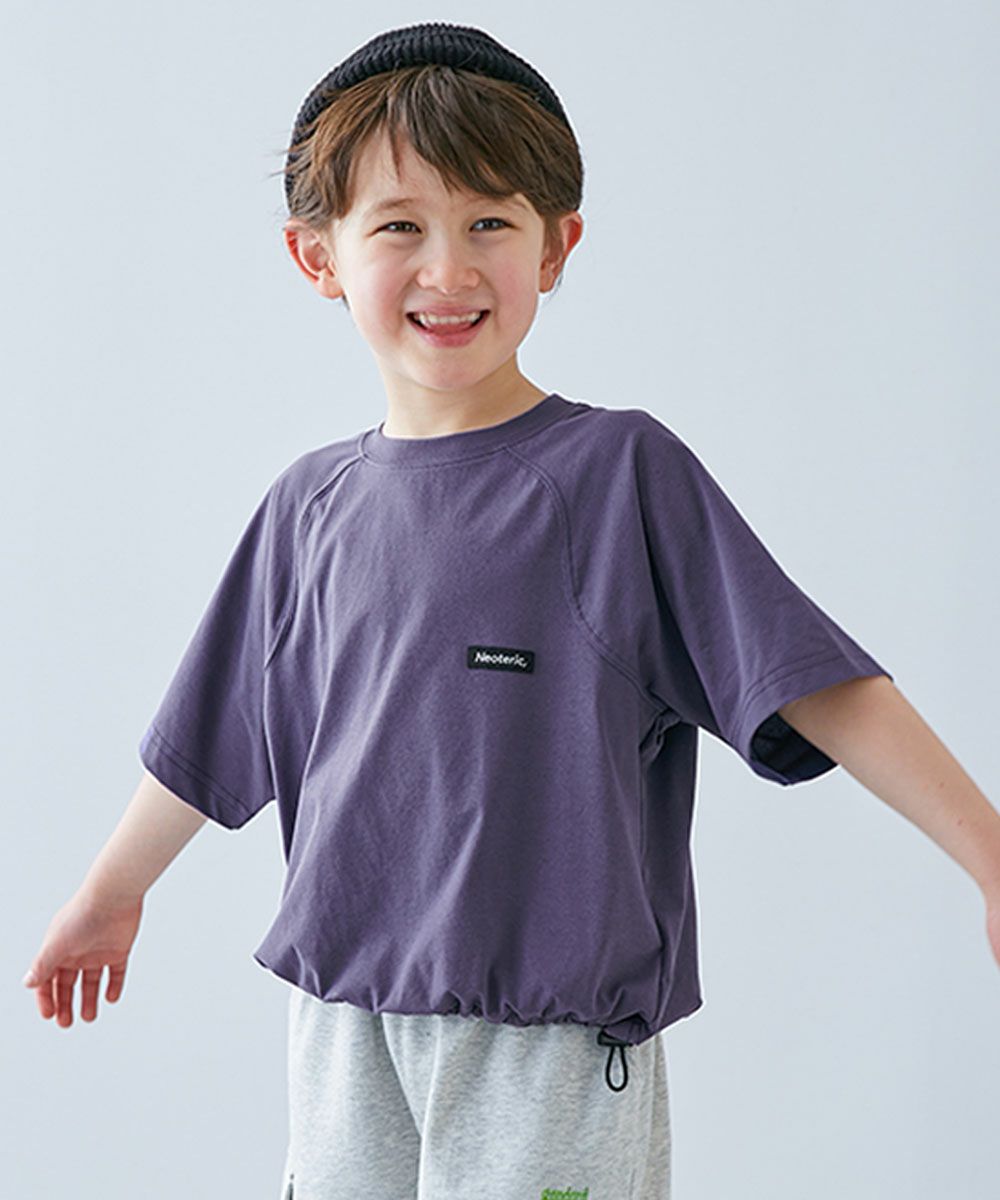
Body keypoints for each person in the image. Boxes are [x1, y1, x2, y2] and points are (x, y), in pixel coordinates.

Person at [22, 20, 1000, 1200]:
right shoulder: (307, 508)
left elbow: (809, 679)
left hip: (546, 1040)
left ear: (556, 246)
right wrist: (109, 893)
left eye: (489, 222)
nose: (448, 270)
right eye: (399, 227)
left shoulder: (617, 476)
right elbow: (209, 735)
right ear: (317, 257)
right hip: (343, 1025)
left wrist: (988, 854)